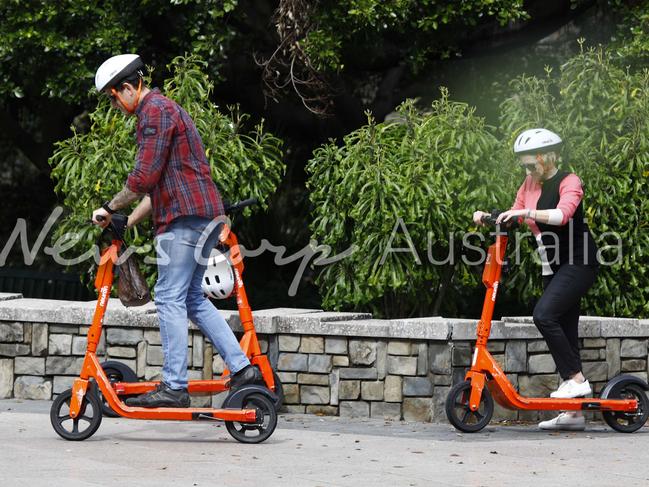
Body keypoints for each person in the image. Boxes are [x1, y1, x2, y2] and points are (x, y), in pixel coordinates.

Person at [91, 54, 261, 408]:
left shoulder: (153, 112)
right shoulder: (166, 110)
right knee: (192, 299)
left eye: (112, 96)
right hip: (203, 218)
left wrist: (109, 207)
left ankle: (173, 385)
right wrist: (126, 220)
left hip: (185, 220)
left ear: (128, 87)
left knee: (168, 296)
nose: (114, 104)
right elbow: (158, 188)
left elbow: (143, 177)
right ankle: (243, 368)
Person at [473, 128, 599, 431]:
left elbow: (561, 215)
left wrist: (530, 211)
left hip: (579, 261)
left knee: (543, 315)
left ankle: (576, 381)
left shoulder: (571, 182)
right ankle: (573, 414)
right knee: (566, 331)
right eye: (525, 166)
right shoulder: (529, 184)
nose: (528, 172)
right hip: (551, 265)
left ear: (549, 157)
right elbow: (515, 214)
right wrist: (491, 216)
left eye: (532, 165)